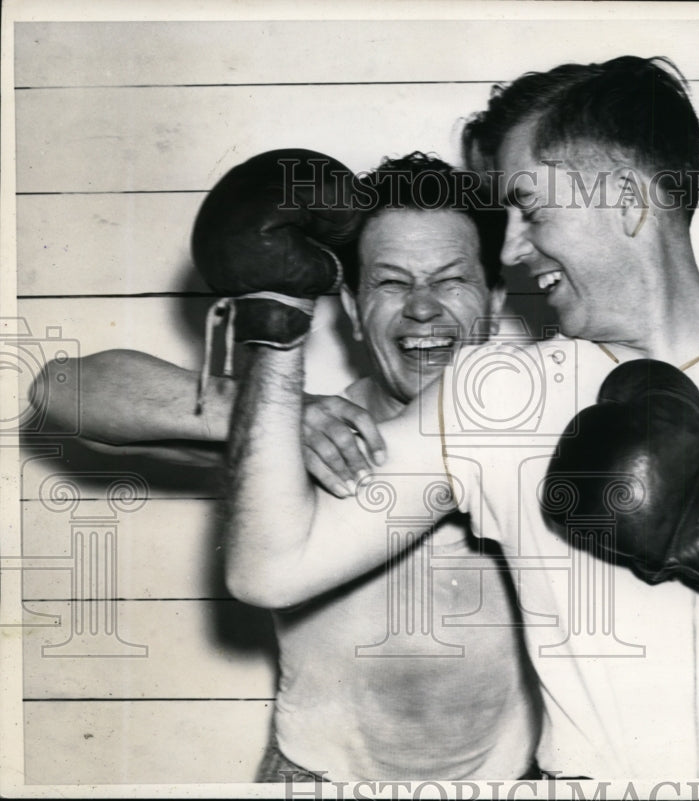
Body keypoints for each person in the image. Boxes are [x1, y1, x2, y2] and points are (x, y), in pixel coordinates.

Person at [219, 56, 699, 780]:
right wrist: (275, 325)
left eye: (529, 209)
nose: (509, 248)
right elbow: (271, 569)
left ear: (628, 200)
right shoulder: (498, 393)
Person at [35, 152, 541, 781]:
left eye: (451, 280)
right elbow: (59, 390)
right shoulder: (309, 435)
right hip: (315, 776)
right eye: (390, 282)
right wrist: (274, 412)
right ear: (352, 307)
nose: (421, 309)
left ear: (494, 299)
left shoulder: (540, 427)